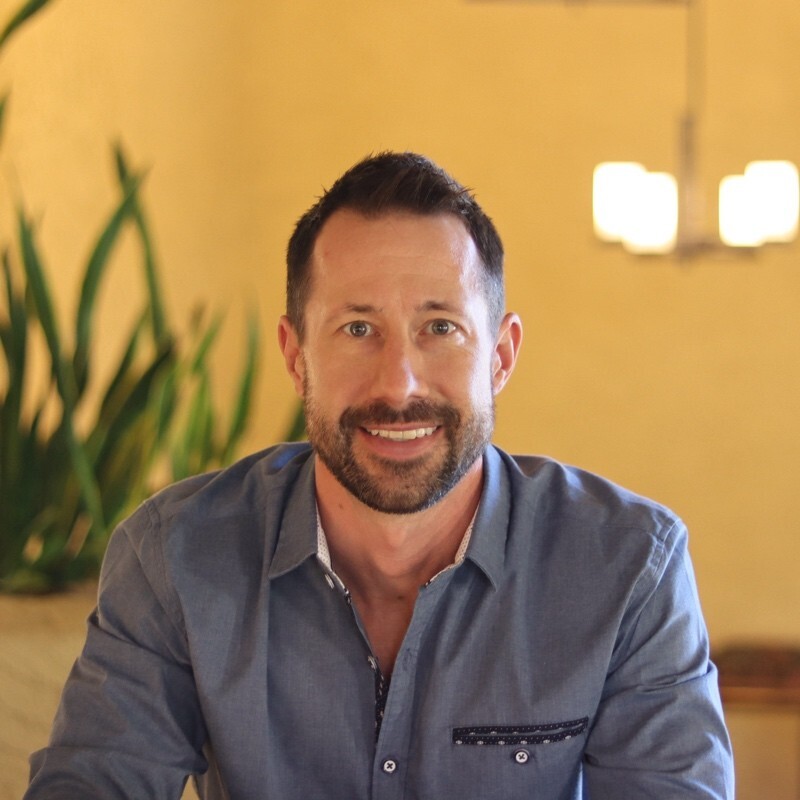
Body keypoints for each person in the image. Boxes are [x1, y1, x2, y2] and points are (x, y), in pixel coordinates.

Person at [26, 151, 734, 799]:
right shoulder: (173, 556)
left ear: (501, 355)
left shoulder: (631, 564)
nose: (399, 384)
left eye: (441, 327)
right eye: (357, 328)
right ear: (296, 354)